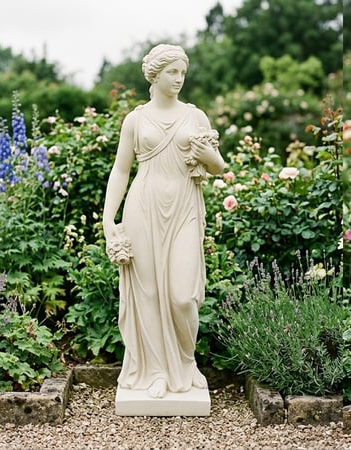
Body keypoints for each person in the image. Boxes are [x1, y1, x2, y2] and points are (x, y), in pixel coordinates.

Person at [103, 44, 225, 398]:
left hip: (185, 207)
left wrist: (209, 156)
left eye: (183, 73)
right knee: (149, 294)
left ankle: (186, 362)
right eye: (172, 72)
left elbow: (218, 165)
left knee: (182, 296)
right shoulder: (136, 120)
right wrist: (109, 219)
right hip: (143, 207)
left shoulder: (196, 117)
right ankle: (156, 370)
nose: (179, 79)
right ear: (154, 75)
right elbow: (120, 170)